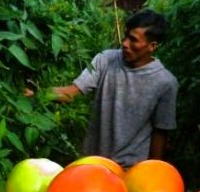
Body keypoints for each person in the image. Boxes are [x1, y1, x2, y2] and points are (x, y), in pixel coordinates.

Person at [28, 9, 179, 169]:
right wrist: (38, 93)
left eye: (133, 40)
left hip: (130, 171)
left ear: (152, 46)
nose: (125, 43)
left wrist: (154, 171)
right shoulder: (106, 60)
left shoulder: (165, 83)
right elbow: (72, 93)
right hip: (93, 164)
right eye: (126, 36)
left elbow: (160, 133)